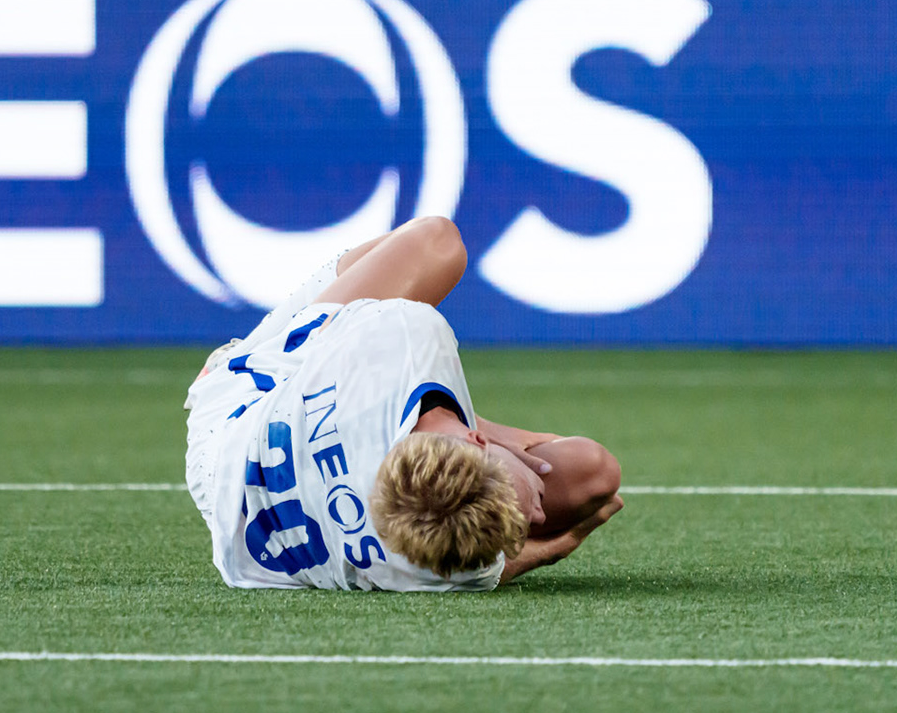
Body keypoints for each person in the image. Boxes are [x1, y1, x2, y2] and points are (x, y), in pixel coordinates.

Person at [183, 216, 623, 590]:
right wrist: (554, 545)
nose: (539, 516)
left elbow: (303, 342)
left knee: (437, 242)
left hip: (230, 425)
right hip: (249, 506)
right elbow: (490, 564)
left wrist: (505, 442)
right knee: (593, 473)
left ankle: (230, 362)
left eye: (528, 518)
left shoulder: (403, 334)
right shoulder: (433, 547)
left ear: (477, 439)